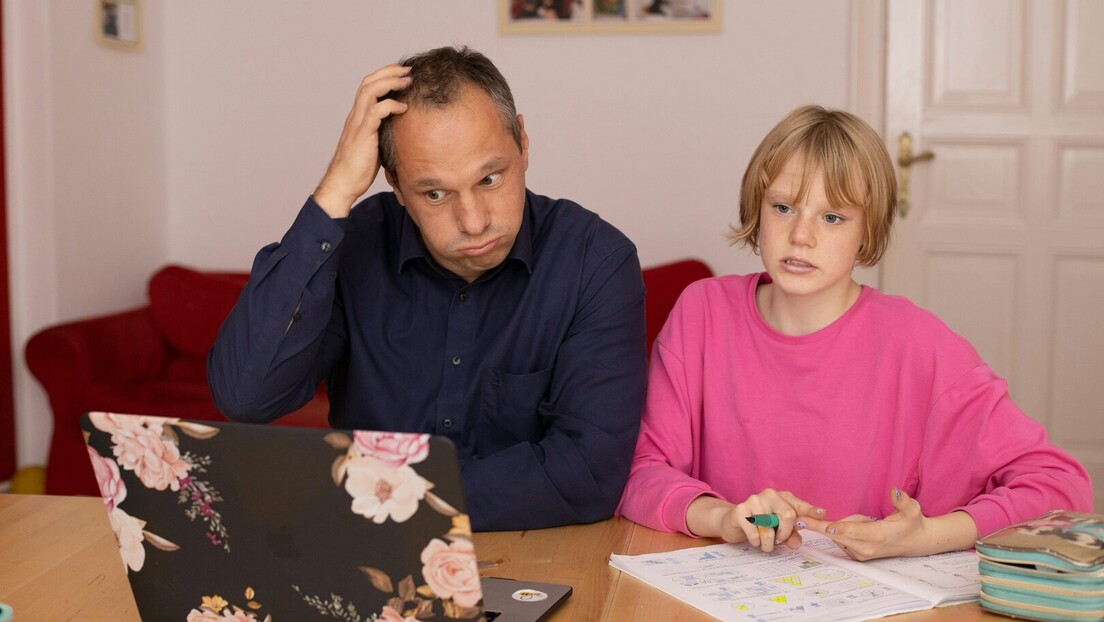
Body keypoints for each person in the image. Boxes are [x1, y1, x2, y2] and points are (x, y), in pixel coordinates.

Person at [616, 104, 1093, 560]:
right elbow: (638, 471)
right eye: (783, 207)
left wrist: (927, 535)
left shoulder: (918, 344)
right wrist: (723, 518)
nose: (801, 235)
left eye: (832, 217)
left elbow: (1059, 485)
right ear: (756, 210)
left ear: (868, 231)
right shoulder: (702, 312)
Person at [208, 46, 647, 531]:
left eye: (490, 177)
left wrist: (400, 497)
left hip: (536, 552)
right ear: (394, 184)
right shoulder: (351, 248)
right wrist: (335, 190)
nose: (475, 221)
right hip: (370, 556)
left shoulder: (595, 261)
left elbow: (588, 473)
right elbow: (246, 397)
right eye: (434, 193)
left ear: (523, 142)